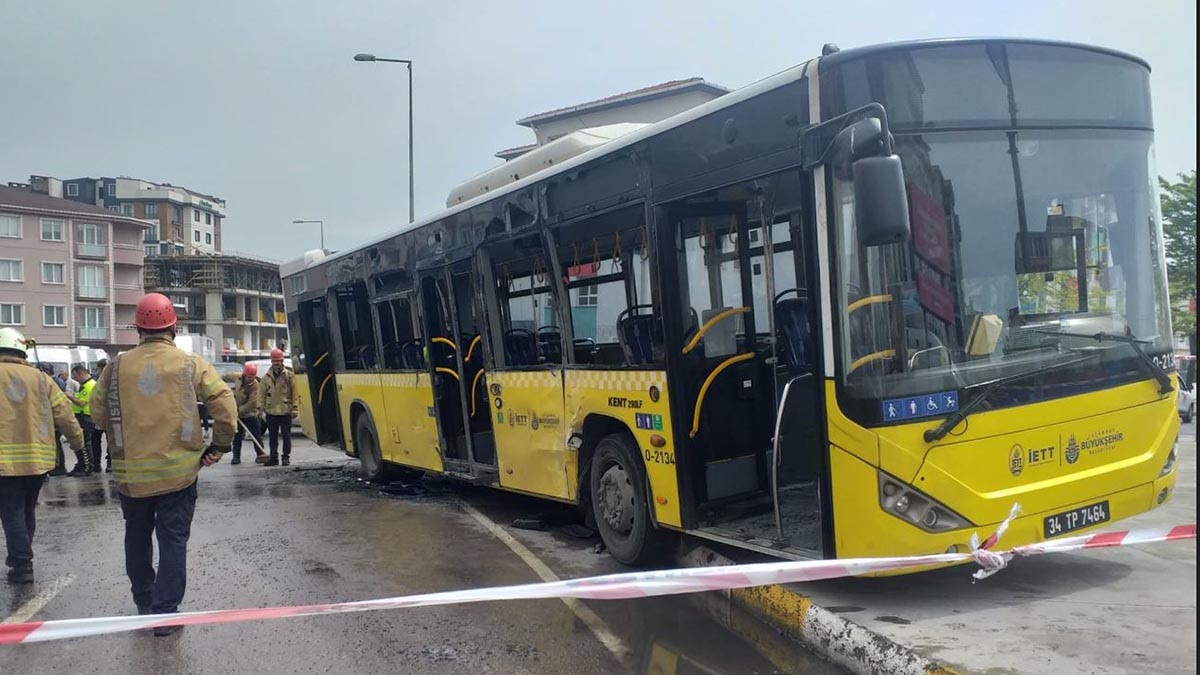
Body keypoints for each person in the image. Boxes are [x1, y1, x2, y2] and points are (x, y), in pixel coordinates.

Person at [91, 293, 236, 634]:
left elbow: (97, 413)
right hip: (179, 475)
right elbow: (226, 408)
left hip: (131, 477)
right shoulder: (190, 364)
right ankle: (166, 614)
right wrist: (218, 446)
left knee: (137, 536)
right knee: (173, 541)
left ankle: (144, 602)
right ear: (174, 325)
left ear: (139, 327)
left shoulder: (115, 367)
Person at [0, 327, 85, 584]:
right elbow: (65, 414)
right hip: (38, 462)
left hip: (4, 462)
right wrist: (79, 445)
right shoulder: (41, 379)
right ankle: (22, 556)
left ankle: (22, 562)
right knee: (27, 509)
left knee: (11, 510)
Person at [261, 348, 295, 467]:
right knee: (272, 438)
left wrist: (294, 408)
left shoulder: (289, 376)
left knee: (286, 436)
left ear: (282, 361)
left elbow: (294, 393)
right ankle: (274, 458)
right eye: (274, 361)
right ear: (271, 361)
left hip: (285, 411)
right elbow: (261, 395)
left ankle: (286, 457)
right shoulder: (266, 378)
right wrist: (260, 410)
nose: (276, 363)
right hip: (271, 412)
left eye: (278, 361)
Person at [231, 363, 267, 465]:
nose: (251, 379)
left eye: (253, 377)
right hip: (238, 413)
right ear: (244, 374)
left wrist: (239, 411)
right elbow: (227, 376)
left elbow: (252, 403)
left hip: (251, 414)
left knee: (256, 435)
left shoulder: (256, 386)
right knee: (237, 436)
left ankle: (261, 455)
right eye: (249, 377)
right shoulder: (238, 378)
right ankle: (236, 457)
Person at [68, 366, 98, 475]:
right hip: (82, 417)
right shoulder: (85, 385)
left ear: (80, 374)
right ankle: (81, 465)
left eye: (76, 376)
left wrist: (70, 397)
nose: (76, 379)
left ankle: (87, 467)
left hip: (85, 418)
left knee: (84, 444)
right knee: (81, 443)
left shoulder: (89, 386)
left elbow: (82, 403)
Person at [39, 363, 67, 476]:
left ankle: (59, 467)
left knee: (56, 443)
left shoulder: (53, 383)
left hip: (53, 418)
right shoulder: (55, 381)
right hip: (51, 417)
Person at [93, 358, 111, 472]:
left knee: (111, 441)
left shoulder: (113, 380)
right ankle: (96, 463)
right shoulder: (97, 381)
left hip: (110, 416)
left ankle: (110, 463)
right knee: (95, 440)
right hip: (99, 416)